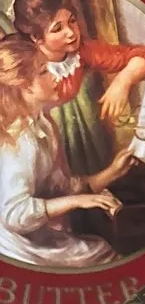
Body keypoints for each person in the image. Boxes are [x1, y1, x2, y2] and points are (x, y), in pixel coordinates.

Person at [0, 33, 134, 267]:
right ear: (24, 85)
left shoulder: (44, 125)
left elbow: (59, 187)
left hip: (34, 236)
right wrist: (78, 201)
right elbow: (14, 215)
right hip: (16, 246)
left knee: (102, 250)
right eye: (43, 71)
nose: (54, 76)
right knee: (103, 256)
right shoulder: (19, 141)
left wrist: (113, 171)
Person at [12, 0, 145, 177]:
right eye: (57, 29)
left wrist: (123, 82)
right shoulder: (18, 61)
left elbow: (143, 56)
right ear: (36, 37)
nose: (71, 33)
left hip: (68, 140)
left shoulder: (80, 52)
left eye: (72, 21)